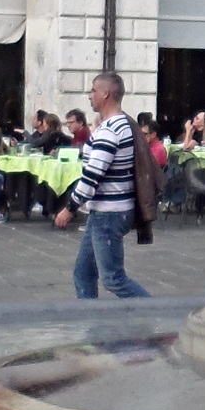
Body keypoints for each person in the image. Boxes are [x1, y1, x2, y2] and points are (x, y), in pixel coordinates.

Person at [56, 73, 149, 300]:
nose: (89, 96)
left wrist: (69, 209)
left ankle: (156, 315)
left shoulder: (110, 130)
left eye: (93, 90)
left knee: (113, 279)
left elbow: (92, 177)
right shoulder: (120, 125)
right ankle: (92, 321)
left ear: (105, 94)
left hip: (109, 213)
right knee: (84, 273)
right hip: (108, 211)